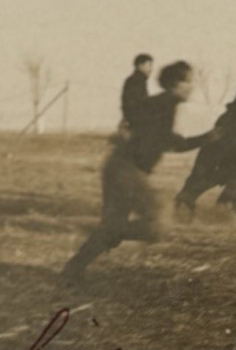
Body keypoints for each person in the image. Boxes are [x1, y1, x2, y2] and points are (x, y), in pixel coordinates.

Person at [62, 61, 212, 281]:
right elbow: (167, 140)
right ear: (175, 84)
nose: (192, 87)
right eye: (188, 82)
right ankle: (109, 235)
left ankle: (72, 270)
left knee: (115, 226)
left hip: (117, 166)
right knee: (159, 224)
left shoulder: (161, 103)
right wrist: (207, 138)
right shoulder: (165, 103)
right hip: (127, 170)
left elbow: (151, 130)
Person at [175, 45, 236, 216]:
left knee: (234, 168)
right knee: (225, 167)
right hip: (232, 131)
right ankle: (206, 201)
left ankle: (216, 202)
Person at [120, 53, 153, 126]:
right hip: (137, 121)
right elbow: (139, 103)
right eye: (149, 65)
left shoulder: (134, 80)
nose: (151, 69)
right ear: (140, 66)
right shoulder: (137, 81)